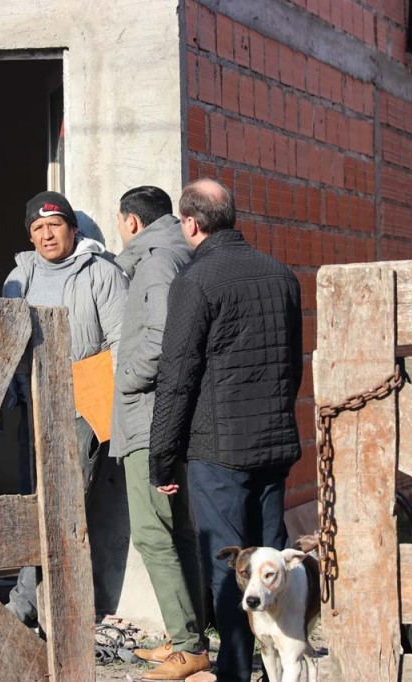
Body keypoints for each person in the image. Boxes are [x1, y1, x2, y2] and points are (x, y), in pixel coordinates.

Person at [149, 179, 304, 682]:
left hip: (219, 449)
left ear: (191, 223)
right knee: (273, 566)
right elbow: (293, 366)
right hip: (274, 445)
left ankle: (236, 673)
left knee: (229, 569)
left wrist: (162, 456)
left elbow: (176, 376)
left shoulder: (194, 281)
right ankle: (281, 667)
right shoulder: (282, 275)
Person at [1, 190, 128, 625]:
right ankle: (42, 606)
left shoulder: (101, 273)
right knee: (35, 507)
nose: (46, 234)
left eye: (54, 225)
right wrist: (15, 393)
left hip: (82, 408)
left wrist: (107, 408)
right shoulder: (19, 278)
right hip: (34, 406)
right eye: (37, 228)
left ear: (73, 229)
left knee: (64, 510)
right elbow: (6, 342)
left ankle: (30, 607)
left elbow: (121, 343)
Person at [110, 186, 210, 680]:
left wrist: (122, 379)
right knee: (177, 531)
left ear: (131, 222)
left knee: (153, 534)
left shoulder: (153, 263)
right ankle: (188, 634)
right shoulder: (178, 253)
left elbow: (160, 339)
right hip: (168, 417)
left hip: (149, 418)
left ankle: (189, 645)